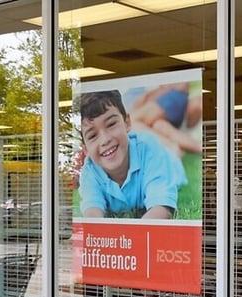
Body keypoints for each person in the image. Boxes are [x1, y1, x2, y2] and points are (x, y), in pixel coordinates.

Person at [78, 90, 187, 219]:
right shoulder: (89, 172)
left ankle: (174, 146)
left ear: (127, 123)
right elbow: (91, 213)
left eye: (111, 124)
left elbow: (162, 208)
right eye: (92, 135)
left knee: (174, 152)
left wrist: (133, 237)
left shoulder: (150, 150)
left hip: (169, 163)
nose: (105, 140)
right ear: (86, 150)